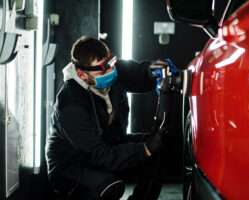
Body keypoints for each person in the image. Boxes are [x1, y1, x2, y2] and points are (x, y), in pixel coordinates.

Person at [45, 36, 166, 200]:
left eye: (110, 64)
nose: (111, 71)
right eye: (102, 69)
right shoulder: (71, 104)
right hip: (72, 165)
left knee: (159, 149)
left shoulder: (110, 69)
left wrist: (151, 70)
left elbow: (135, 72)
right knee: (111, 187)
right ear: (82, 74)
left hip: (106, 146)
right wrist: (144, 149)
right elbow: (99, 155)